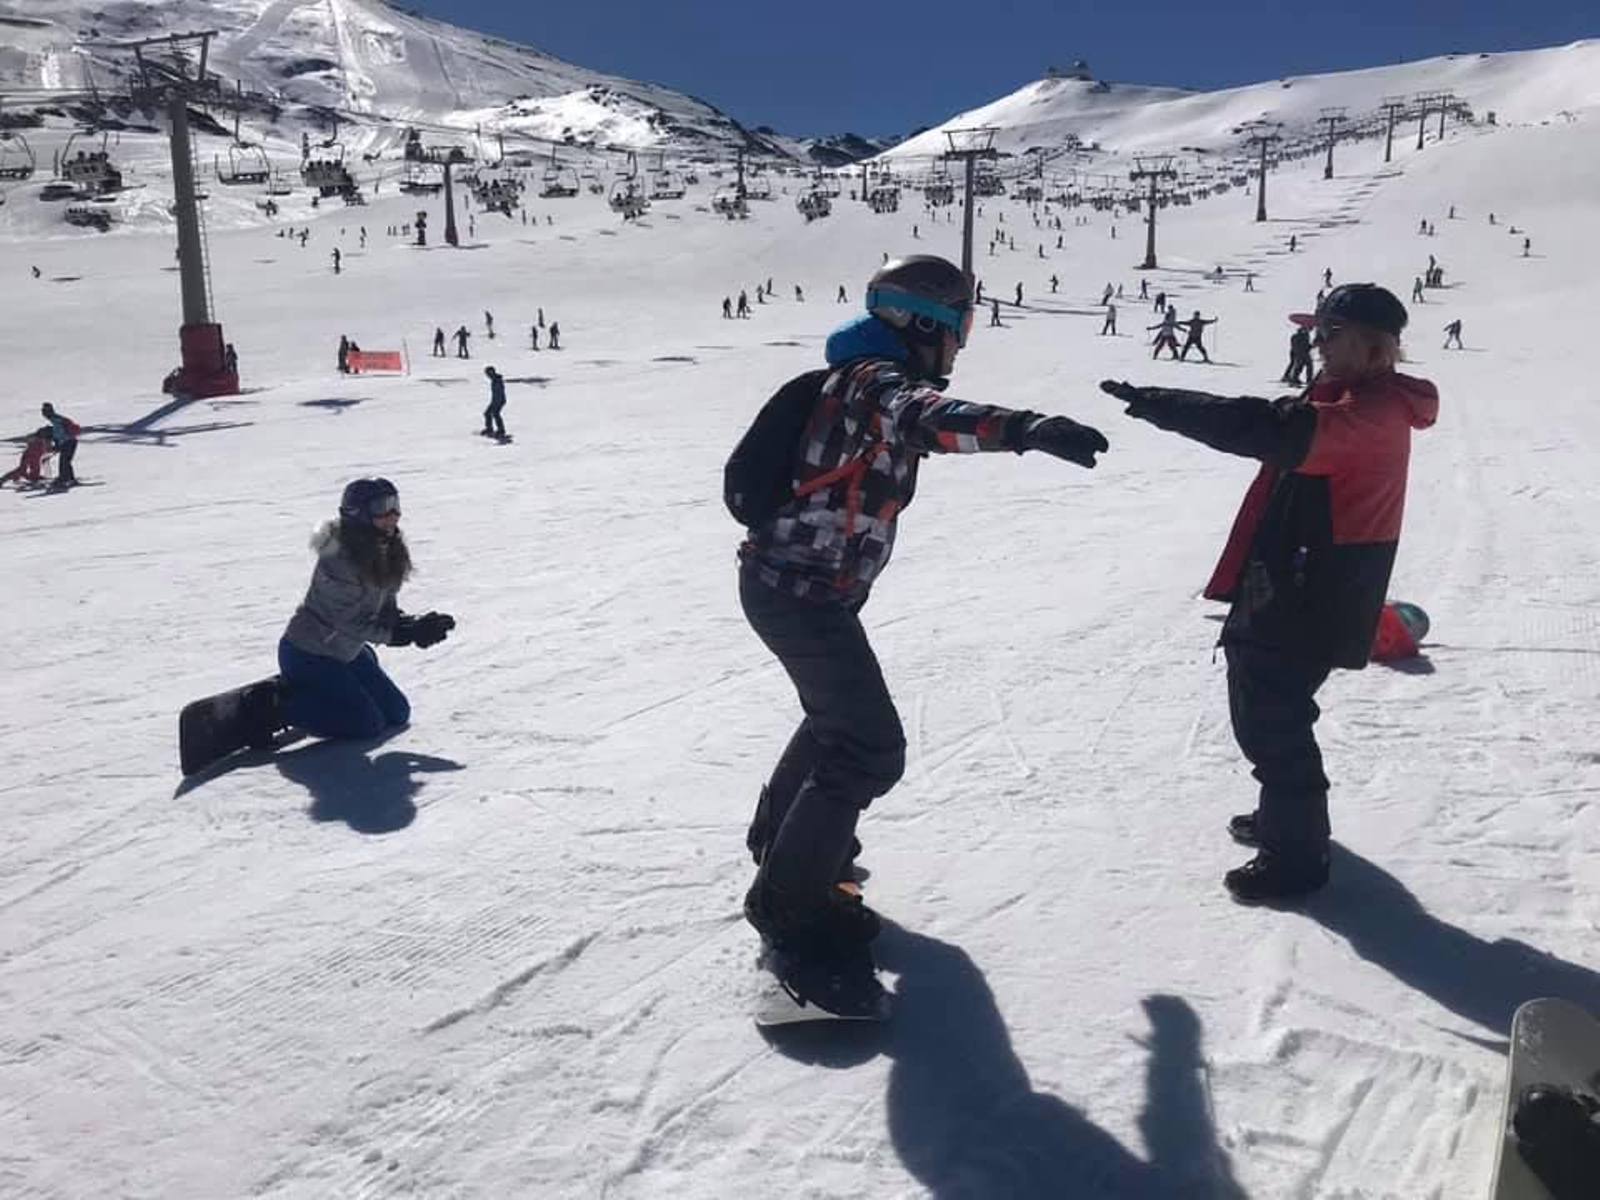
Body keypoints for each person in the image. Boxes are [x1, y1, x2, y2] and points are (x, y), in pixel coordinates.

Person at [737, 254, 1109, 1007]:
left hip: (809, 589)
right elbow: (924, 418)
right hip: (798, 591)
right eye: (958, 326)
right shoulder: (873, 380)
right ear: (922, 325)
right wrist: (1025, 429)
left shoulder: (854, 384)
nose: (960, 344)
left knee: (835, 722)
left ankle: (787, 846)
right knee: (868, 745)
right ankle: (789, 907)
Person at [1101, 283, 1438, 902]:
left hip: (1312, 588)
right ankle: (1288, 816)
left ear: (1373, 346)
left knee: (1272, 719)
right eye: (1316, 332)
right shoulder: (1351, 396)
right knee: (1273, 704)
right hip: (1300, 576)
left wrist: (1162, 403)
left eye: (1328, 334)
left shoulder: (1369, 412)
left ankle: (1297, 856)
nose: (1316, 343)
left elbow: (1271, 429)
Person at [275, 479, 456, 742]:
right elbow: (346, 622)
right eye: (382, 507)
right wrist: (400, 636)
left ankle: (319, 693)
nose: (393, 515)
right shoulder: (339, 558)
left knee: (397, 713)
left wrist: (413, 625)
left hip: (347, 651)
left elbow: (382, 611)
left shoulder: (388, 547)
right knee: (365, 723)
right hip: (310, 652)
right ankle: (279, 706)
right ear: (357, 513)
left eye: (395, 505)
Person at [39, 403, 79, 487]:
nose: (44, 415)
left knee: (64, 461)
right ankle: (69, 478)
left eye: (45, 412)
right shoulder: (56, 419)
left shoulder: (56, 420)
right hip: (69, 442)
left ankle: (64, 479)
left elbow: (60, 434)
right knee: (65, 461)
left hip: (68, 442)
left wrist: (57, 444)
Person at [482, 366, 508, 438]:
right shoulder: (494, 379)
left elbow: (499, 392)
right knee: (487, 413)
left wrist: (496, 402)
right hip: (495, 400)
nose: (487, 375)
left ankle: (501, 430)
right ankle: (490, 429)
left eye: (487, 373)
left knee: (495, 414)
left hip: (499, 401)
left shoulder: (497, 380)